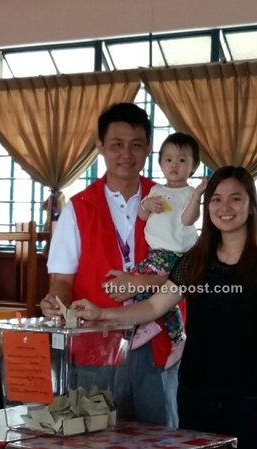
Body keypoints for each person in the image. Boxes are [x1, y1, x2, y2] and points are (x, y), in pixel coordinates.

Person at [71, 166, 257, 449]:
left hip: (249, 395)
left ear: (251, 206)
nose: (225, 207)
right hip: (194, 392)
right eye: (216, 199)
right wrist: (102, 313)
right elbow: (153, 306)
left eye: (235, 199)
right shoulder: (195, 261)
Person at [40, 102, 179, 427]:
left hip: (157, 341)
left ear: (148, 148)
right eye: (116, 144)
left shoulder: (170, 202)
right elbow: (61, 279)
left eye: (135, 145)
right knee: (94, 435)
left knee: (161, 439)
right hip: (94, 344)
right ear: (100, 146)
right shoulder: (78, 208)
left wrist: (142, 283)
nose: (126, 154)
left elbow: (186, 274)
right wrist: (55, 302)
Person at [127, 132, 207, 370]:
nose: (174, 164)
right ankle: (177, 337)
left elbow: (188, 220)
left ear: (193, 166)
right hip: (156, 253)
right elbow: (142, 216)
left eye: (182, 160)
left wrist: (198, 197)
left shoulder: (190, 193)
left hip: (174, 255)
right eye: (169, 159)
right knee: (163, 297)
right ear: (160, 163)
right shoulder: (156, 190)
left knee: (135, 282)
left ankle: (151, 323)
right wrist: (145, 205)